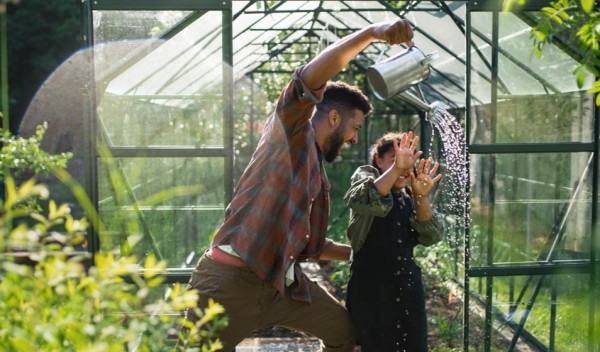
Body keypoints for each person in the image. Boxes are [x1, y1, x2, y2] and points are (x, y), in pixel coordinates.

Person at [184, 20, 415, 351]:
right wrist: (371, 33)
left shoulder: (316, 173)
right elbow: (306, 80)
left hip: (281, 285)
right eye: (355, 127)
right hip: (229, 285)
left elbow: (309, 245)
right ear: (333, 118)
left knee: (343, 333)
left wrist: (370, 254)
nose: (354, 138)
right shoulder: (290, 133)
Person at [344, 131, 445, 352]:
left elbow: (432, 235)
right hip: (371, 290)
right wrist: (396, 170)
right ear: (379, 161)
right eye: (395, 160)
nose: (404, 167)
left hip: (407, 289)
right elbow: (363, 200)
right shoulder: (366, 178)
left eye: (409, 162)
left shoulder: (411, 194)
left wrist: (422, 197)